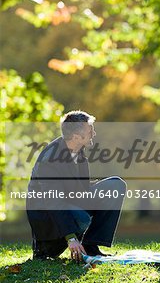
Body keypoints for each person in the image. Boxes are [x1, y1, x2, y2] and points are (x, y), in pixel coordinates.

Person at [26, 110, 126, 261]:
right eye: (90, 130)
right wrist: (71, 238)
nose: (94, 133)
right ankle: (45, 249)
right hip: (49, 215)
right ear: (76, 136)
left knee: (115, 186)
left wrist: (101, 191)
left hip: (70, 200)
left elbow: (82, 188)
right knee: (82, 217)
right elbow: (53, 202)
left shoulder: (78, 150)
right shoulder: (50, 160)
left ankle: (91, 245)